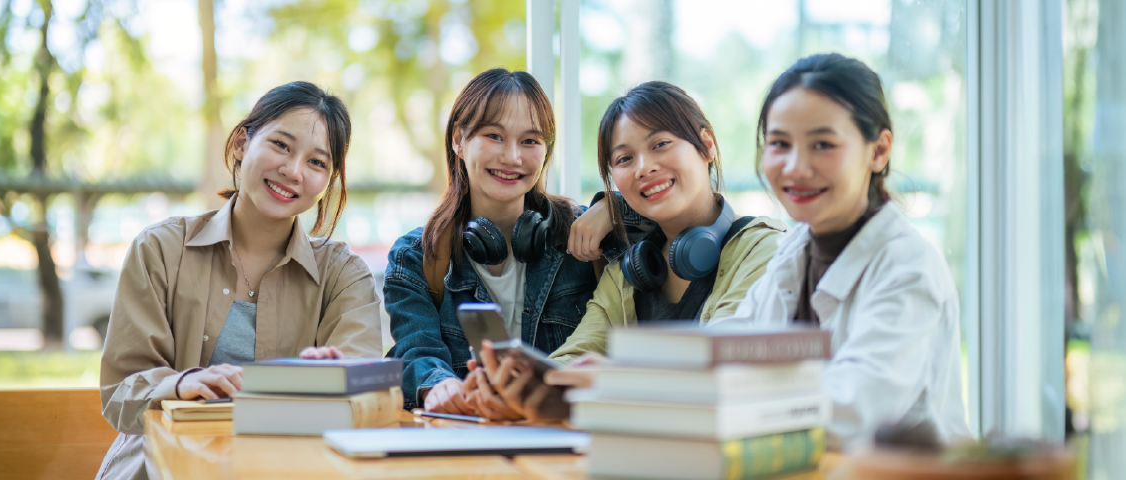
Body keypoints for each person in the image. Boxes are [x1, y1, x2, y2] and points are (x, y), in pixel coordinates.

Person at [96, 82, 381, 480]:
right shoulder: (161, 249)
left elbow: (371, 392)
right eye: (281, 145)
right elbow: (120, 391)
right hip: (158, 467)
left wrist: (338, 380)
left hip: (291, 469)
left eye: (317, 163)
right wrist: (184, 383)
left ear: (329, 182)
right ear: (241, 144)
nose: (293, 171)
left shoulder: (344, 274)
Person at [466, 81, 786, 420]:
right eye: (624, 158)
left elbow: (723, 360)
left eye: (661, 144)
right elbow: (575, 356)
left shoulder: (764, 247)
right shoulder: (628, 271)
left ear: (706, 146)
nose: (643, 168)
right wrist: (518, 387)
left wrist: (614, 379)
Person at [712, 53, 971, 451]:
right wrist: (629, 373)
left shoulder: (908, 268)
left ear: (879, 150)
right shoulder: (792, 252)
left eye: (823, 144)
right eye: (779, 144)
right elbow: (722, 349)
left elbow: (852, 412)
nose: (796, 167)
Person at [383, 68, 648, 416]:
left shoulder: (581, 233)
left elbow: (675, 217)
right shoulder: (416, 256)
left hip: (562, 437)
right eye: (494, 135)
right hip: (467, 437)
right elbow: (416, 349)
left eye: (530, 141)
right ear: (458, 140)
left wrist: (613, 207)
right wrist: (439, 385)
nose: (512, 157)